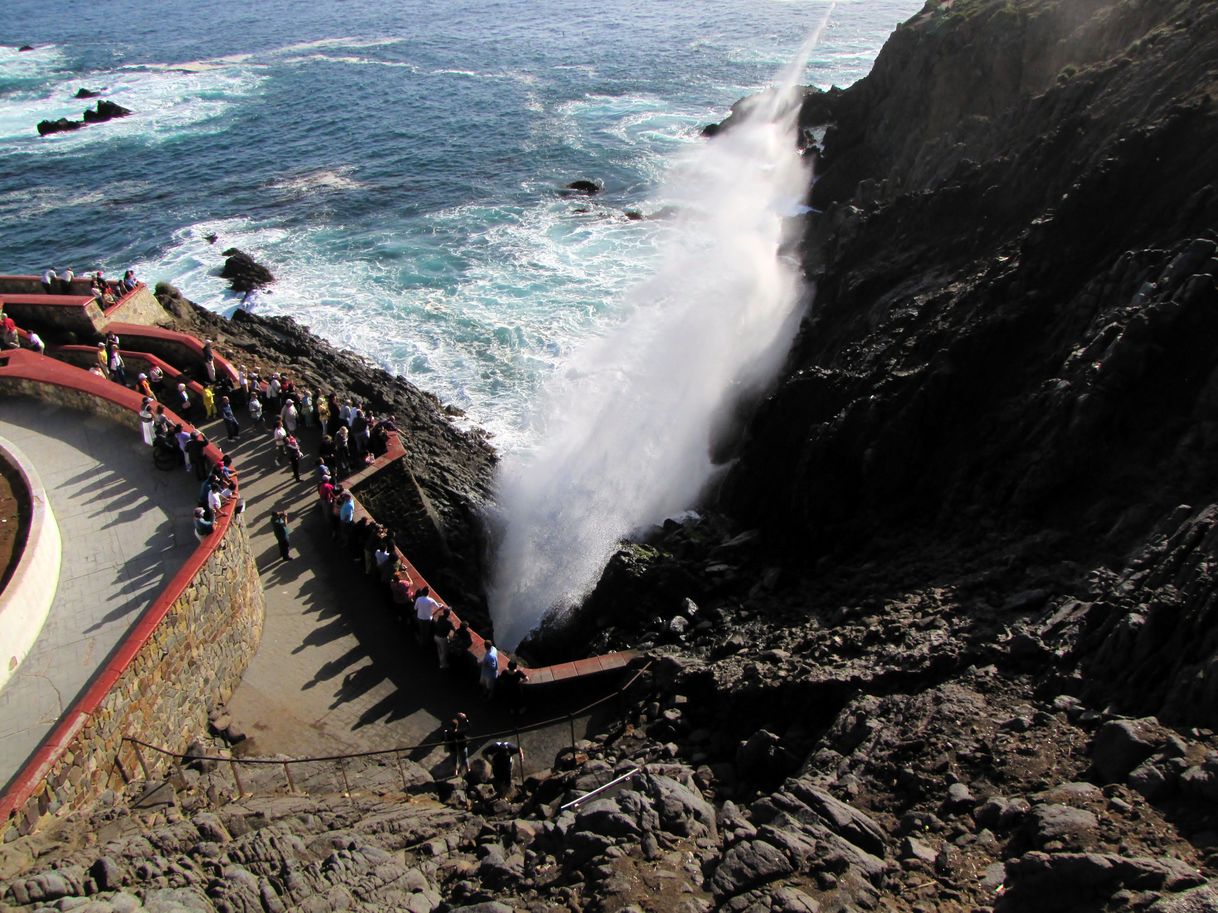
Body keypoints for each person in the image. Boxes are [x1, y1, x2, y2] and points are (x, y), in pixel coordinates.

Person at [445, 713, 470, 778]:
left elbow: (445, 739)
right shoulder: (461, 732)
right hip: (462, 747)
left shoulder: (447, 732)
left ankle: (455, 772)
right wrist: (466, 719)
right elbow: (468, 727)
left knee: (454, 760)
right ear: (457, 726)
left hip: (453, 748)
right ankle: (468, 770)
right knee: (465, 758)